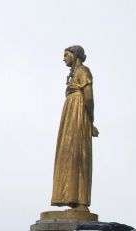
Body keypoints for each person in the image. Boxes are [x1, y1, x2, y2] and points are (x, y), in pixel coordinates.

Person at [51, 45, 99, 210]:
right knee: (68, 153)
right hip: (71, 112)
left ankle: (80, 201)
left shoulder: (84, 71)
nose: (63, 58)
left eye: (66, 54)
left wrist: (90, 121)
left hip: (79, 112)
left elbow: (89, 98)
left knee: (78, 153)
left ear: (75, 55)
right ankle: (70, 197)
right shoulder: (72, 75)